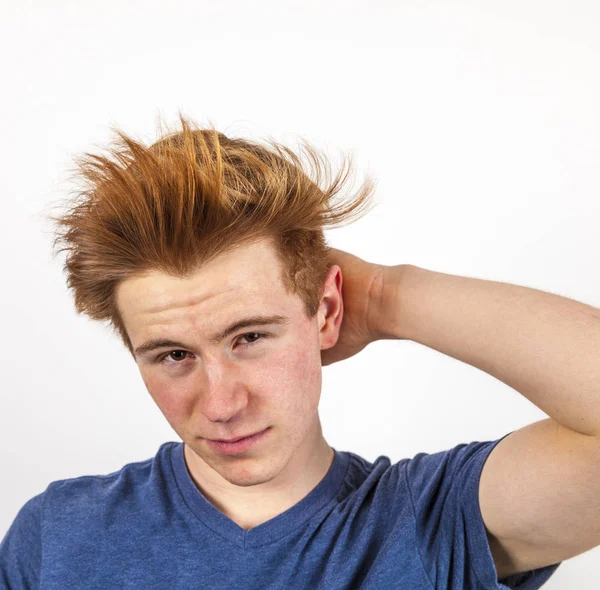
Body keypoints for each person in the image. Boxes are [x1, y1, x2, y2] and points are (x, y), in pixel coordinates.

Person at [3, 114, 598, 589]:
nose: (221, 404)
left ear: (327, 312)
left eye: (250, 338)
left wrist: (385, 296)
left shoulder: (429, 522)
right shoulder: (58, 534)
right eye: (173, 355)